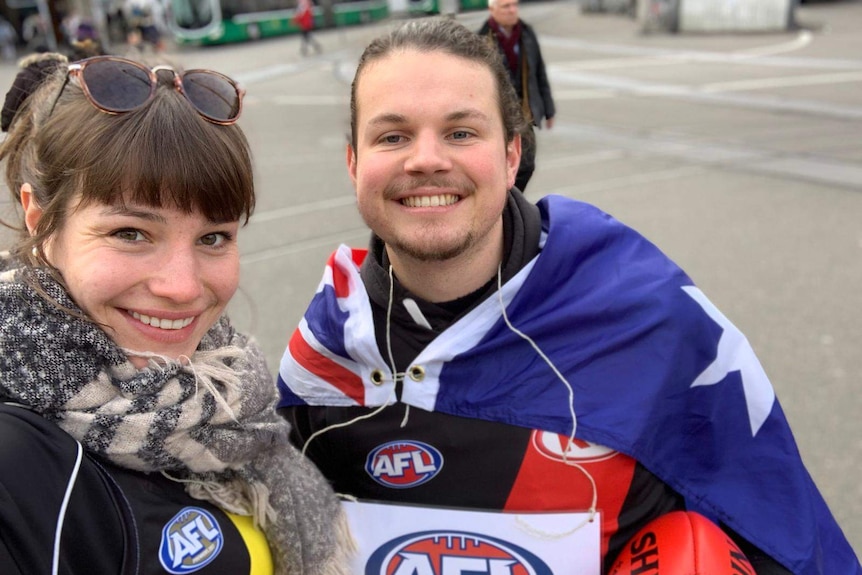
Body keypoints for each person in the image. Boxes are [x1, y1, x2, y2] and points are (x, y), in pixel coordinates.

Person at [276, 18, 860, 575]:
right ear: (355, 164)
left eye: (460, 132)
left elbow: (776, 525)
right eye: (393, 135)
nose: (427, 159)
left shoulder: (648, 319)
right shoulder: (322, 354)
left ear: (510, 156)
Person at [0, 52, 353, 574]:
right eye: (130, 233)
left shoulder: (228, 395)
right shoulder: (18, 460)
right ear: (39, 219)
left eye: (214, 237)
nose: (183, 288)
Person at [479, 0, 555, 192]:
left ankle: (513, 199)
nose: (512, 10)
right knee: (502, 164)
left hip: (525, 111)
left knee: (527, 164)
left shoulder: (526, 34)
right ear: (492, 9)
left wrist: (549, 109)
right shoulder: (481, 39)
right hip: (499, 113)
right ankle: (504, 203)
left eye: (514, 5)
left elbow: (539, 72)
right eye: (506, 6)